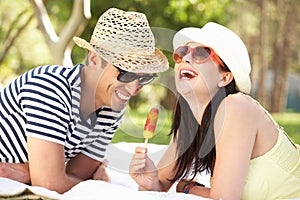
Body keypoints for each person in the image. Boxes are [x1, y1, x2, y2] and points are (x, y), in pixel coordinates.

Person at [0, 8, 169, 193]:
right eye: (126, 74)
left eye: (144, 78)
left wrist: (30, 173)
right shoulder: (51, 88)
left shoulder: (112, 109)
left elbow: (75, 175)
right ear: (94, 59)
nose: (134, 88)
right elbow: (50, 184)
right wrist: (96, 186)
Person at [129, 22, 300, 199]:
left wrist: (187, 188)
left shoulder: (237, 106)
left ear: (225, 77)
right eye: (181, 53)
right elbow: (159, 185)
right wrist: (149, 182)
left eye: (201, 54)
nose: (185, 59)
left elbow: (223, 197)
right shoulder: (189, 121)